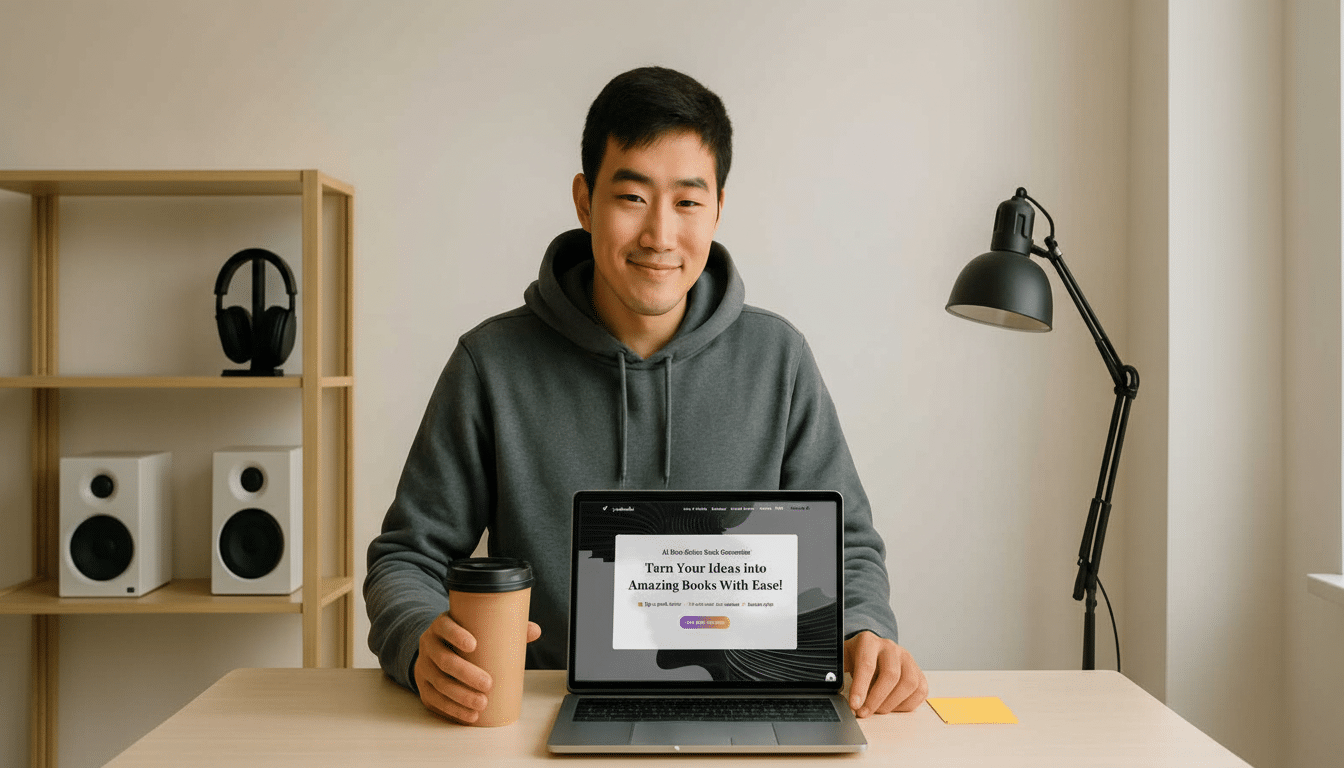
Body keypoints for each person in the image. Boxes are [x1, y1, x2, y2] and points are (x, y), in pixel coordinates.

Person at [365, 65, 928, 726]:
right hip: (541, 715)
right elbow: (408, 556)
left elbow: (849, 548)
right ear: (584, 199)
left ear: (719, 207)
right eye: (632, 196)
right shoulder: (490, 363)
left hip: (746, 707)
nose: (660, 234)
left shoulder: (780, 360)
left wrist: (864, 630)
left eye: (688, 201)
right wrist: (419, 638)